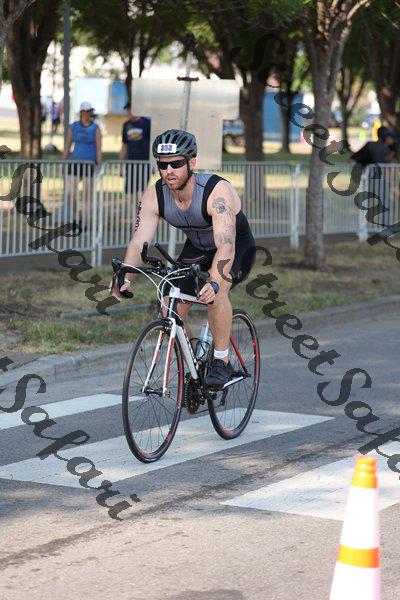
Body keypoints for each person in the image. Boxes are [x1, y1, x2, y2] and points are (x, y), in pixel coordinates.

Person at [110, 129, 256, 388]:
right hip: (197, 248)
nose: (169, 171)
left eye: (176, 163)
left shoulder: (216, 191)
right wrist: (125, 276)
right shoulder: (155, 194)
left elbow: (226, 246)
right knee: (169, 306)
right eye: (163, 165)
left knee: (216, 293)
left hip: (235, 247)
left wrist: (214, 281)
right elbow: (139, 241)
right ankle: (195, 363)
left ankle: (221, 360)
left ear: (192, 163)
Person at [62, 101, 102, 225]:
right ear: (81, 113)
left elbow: (99, 148)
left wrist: (98, 165)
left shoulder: (95, 128)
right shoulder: (74, 126)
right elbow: (68, 145)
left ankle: (84, 222)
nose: (88, 114)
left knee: (86, 194)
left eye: (90, 111)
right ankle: (75, 217)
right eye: (86, 111)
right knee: (69, 193)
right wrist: (63, 162)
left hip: (89, 164)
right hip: (75, 164)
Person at [119, 102, 151, 194]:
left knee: (141, 191)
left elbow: (153, 143)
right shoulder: (126, 125)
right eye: (127, 110)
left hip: (144, 163)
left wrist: (153, 164)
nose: (129, 112)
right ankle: (133, 204)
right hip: (131, 163)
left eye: (130, 109)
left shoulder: (147, 123)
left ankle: (139, 204)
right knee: (130, 191)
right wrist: (121, 166)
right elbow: (124, 145)